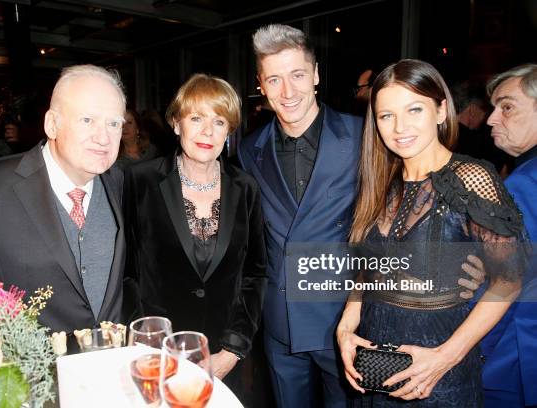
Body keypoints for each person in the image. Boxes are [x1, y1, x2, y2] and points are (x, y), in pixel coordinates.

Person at [336, 59, 525, 407]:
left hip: (439, 376)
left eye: (414, 109)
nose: (399, 127)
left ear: (440, 111)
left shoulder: (471, 178)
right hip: (374, 369)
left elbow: (509, 281)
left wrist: (445, 357)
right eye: (386, 115)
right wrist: (346, 328)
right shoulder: (381, 184)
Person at [0, 64, 140, 335]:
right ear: (52, 124)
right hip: (26, 373)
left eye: (113, 123)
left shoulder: (121, 182)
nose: (103, 137)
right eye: (87, 120)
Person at [237, 24, 364, 407]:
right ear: (261, 84)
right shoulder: (248, 150)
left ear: (316, 75)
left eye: (297, 75)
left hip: (341, 320)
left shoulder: (362, 137)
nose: (287, 92)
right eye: (274, 79)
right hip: (278, 323)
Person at [124, 73, 267, 394]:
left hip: (222, 353)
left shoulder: (246, 188)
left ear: (229, 131)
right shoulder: (139, 181)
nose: (207, 131)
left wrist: (232, 350)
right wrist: (147, 341)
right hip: (156, 352)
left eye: (219, 122)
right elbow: (126, 273)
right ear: (176, 124)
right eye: (196, 118)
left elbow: (255, 275)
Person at [481, 63, 537, 408]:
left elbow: (502, 285)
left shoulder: (522, 186)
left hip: (516, 362)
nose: (491, 119)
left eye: (507, 106)